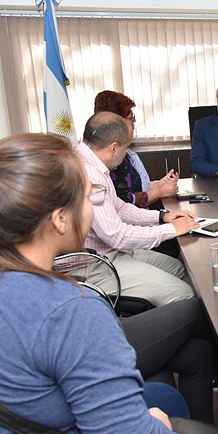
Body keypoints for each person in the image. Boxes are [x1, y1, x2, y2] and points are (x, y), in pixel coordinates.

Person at [0, 133, 218, 434]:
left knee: (195, 353)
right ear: (60, 219)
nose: (95, 204)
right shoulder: (70, 308)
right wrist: (156, 424)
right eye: (90, 194)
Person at [65, 111, 200, 306]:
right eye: (126, 147)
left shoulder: (90, 161)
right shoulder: (90, 174)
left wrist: (162, 217)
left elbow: (119, 208)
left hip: (108, 251)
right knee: (184, 294)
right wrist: (172, 230)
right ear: (113, 148)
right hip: (93, 265)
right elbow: (116, 236)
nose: (126, 154)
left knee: (178, 268)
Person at [94, 90, 179, 208]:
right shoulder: (113, 158)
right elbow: (127, 202)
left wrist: (160, 185)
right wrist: (159, 192)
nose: (133, 124)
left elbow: (138, 186)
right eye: (131, 118)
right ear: (118, 123)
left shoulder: (127, 154)